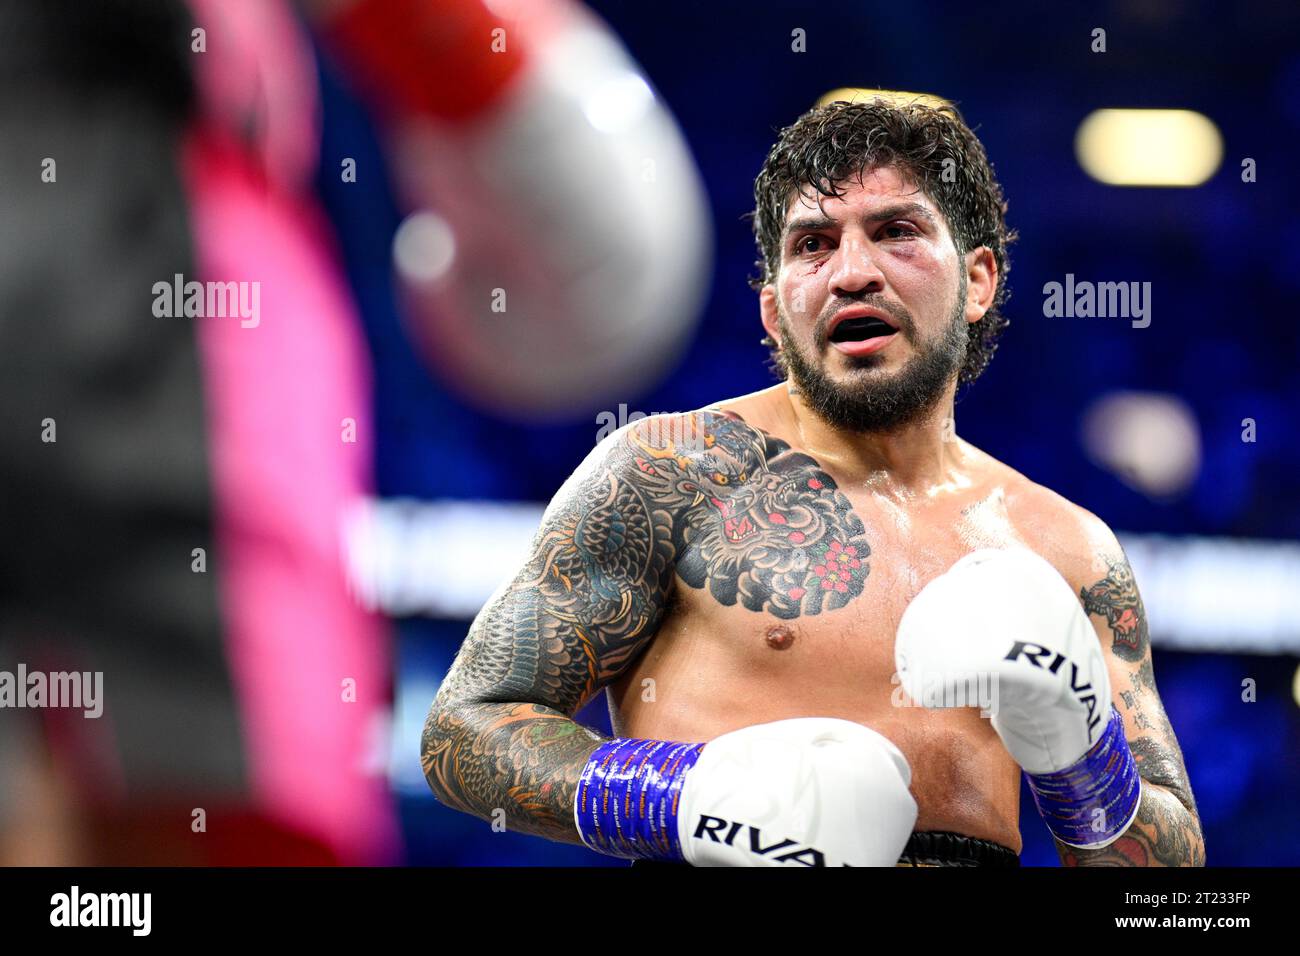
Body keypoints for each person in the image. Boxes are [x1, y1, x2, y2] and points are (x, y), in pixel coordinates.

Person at [419, 98, 1205, 866]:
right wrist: (686, 797)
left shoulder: (1067, 548)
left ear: (979, 282)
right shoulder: (671, 474)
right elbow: (465, 727)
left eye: (896, 232)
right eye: (813, 245)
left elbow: (1171, 894)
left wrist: (1083, 755)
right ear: (773, 310)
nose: (852, 273)